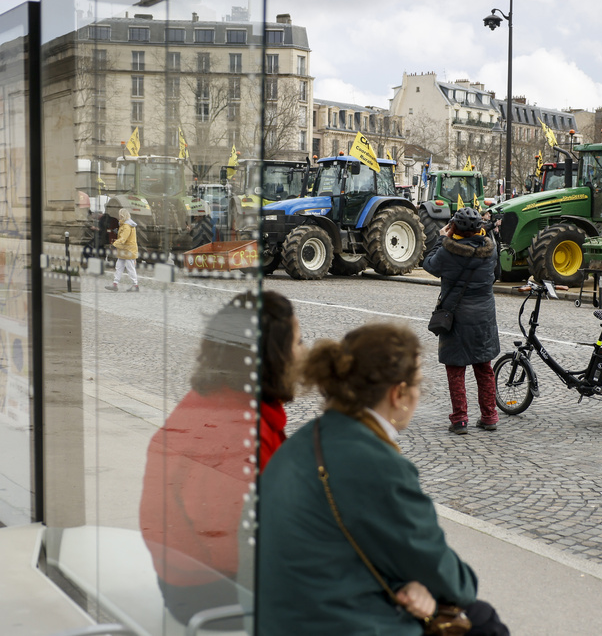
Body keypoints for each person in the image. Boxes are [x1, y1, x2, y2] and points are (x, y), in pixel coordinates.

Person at [256, 324, 508, 636]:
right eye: (418, 384)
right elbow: (453, 580)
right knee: (483, 623)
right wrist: (417, 585)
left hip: (282, 614)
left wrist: (410, 582)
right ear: (398, 394)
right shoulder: (376, 463)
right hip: (331, 621)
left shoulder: (312, 436)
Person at [139, 290, 302, 626]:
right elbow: (235, 550)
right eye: (299, 342)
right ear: (273, 355)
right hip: (212, 593)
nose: (306, 353)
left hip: (193, 579)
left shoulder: (218, 403)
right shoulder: (233, 431)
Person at [422, 207, 501, 435]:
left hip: (456, 316)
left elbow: (429, 265)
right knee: (484, 367)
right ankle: (489, 416)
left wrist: (440, 239)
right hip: (483, 316)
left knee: (456, 369)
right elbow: (495, 275)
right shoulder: (491, 250)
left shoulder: (448, 251)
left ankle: (460, 420)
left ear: (454, 227)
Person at [104, 207, 139, 292]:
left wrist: (114, 245)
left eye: (120, 215)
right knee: (119, 267)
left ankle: (135, 285)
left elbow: (123, 238)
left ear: (122, 215)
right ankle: (115, 284)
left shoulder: (126, 226)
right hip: (125, 250)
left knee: (130, 268)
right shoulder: (126, 225)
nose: (118, 216)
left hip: (128, 250)